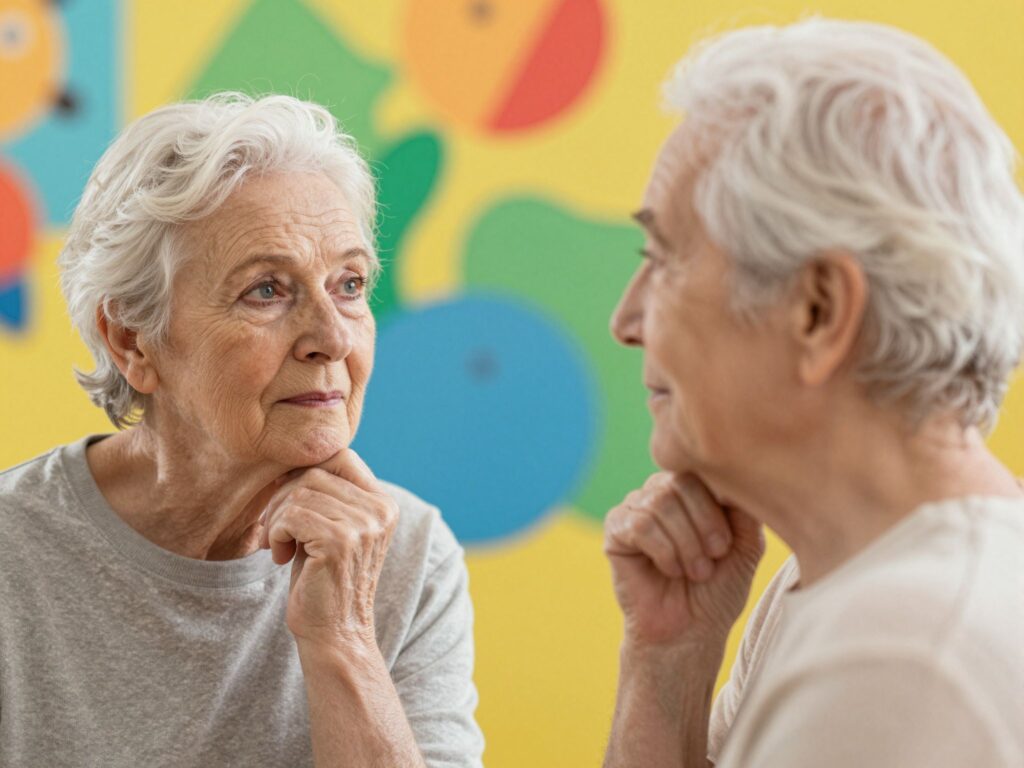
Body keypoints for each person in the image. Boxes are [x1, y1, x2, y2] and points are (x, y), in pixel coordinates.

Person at [0, 93, 483, 767]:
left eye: (349, 285)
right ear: (133, 341)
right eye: (266, 291)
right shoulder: (12, 555)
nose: (332, 338)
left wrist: (342, 639)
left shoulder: (407, 556)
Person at [601, 18, 1024, 768]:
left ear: (818, 312)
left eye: (665, 261)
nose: (625, 321)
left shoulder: (904, 651)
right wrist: (668, 661)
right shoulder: (834, 581)